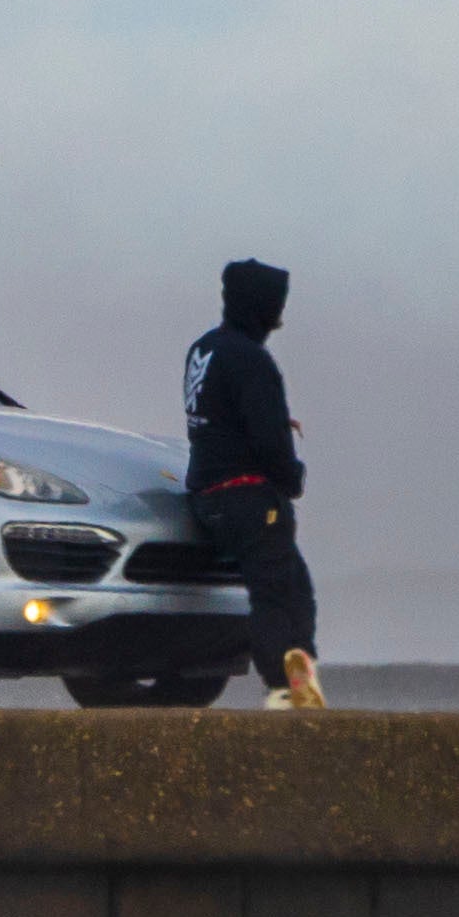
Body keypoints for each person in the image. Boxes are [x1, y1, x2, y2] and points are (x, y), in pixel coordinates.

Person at [182, 258, 326, 710]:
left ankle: (296, 685)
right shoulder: (253, 360)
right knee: (281, 596)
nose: (276, 322)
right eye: (274, 312)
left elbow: (221, 417)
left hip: (207, 497)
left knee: (292, 587)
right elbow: (271, 446)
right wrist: (293, 478)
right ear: (263, 308)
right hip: (249, 496)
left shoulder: (204, 350)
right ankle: (286, 690)